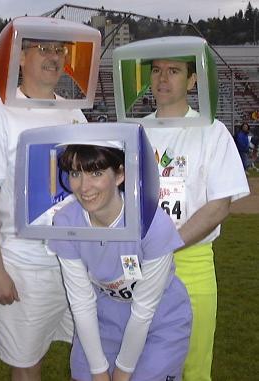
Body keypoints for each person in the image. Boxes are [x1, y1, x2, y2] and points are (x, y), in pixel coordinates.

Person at [0, 37, 87, 380]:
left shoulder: (74, 112)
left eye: (59, 50)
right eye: (43, 49)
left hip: (78, 262)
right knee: (25, 365)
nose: (53, 57)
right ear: (20, 58)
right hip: (24, 264)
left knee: (90, 357)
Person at [144, 57, 250, 381]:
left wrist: (168, 244)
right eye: (156, 70)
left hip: (193, 264)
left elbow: (219, 206)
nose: (163, 78)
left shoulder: (211, 131)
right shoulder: (135, 130)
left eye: (174, 70)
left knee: (193, 366)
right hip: (140, 266)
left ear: (192, 81)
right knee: (140, 364)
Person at [49, 143, 192, 381]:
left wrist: (122, 373)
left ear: (120, 174)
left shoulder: (153, 224)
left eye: (96, 173)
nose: (84, 187)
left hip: (160, 319)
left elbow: (144, 309)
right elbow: (81, 301)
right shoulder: (66, 223)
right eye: (75, 173)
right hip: (105, 318)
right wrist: (98, 371)